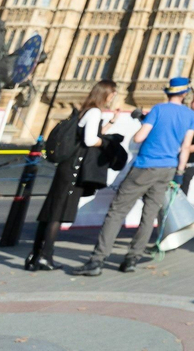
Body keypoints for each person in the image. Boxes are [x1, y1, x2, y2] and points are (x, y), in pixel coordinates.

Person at [68, 76, 194, 276]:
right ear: (185, 93)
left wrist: (144, 126)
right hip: (168, 168)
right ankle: (131, 259)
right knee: (149, 215)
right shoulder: (190, 116)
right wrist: (179, 172)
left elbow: (139, 137)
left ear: (168, 92)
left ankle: (97, 260)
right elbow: (186, 146)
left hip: (146, 165)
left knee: (117, 211)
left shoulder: (158, 110)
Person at [27, 80, 117, 271]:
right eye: (112, 94)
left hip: (66, 167)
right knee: (57, 214)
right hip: (74, 169)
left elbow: (89, 133)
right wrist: (107, 144)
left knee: (51, 211)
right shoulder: (95, 112)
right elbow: (90, 139)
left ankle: (36, 255)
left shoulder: (86, 110)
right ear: (106, 94)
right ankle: (45, 257)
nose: (113, 98)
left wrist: (110, 123)